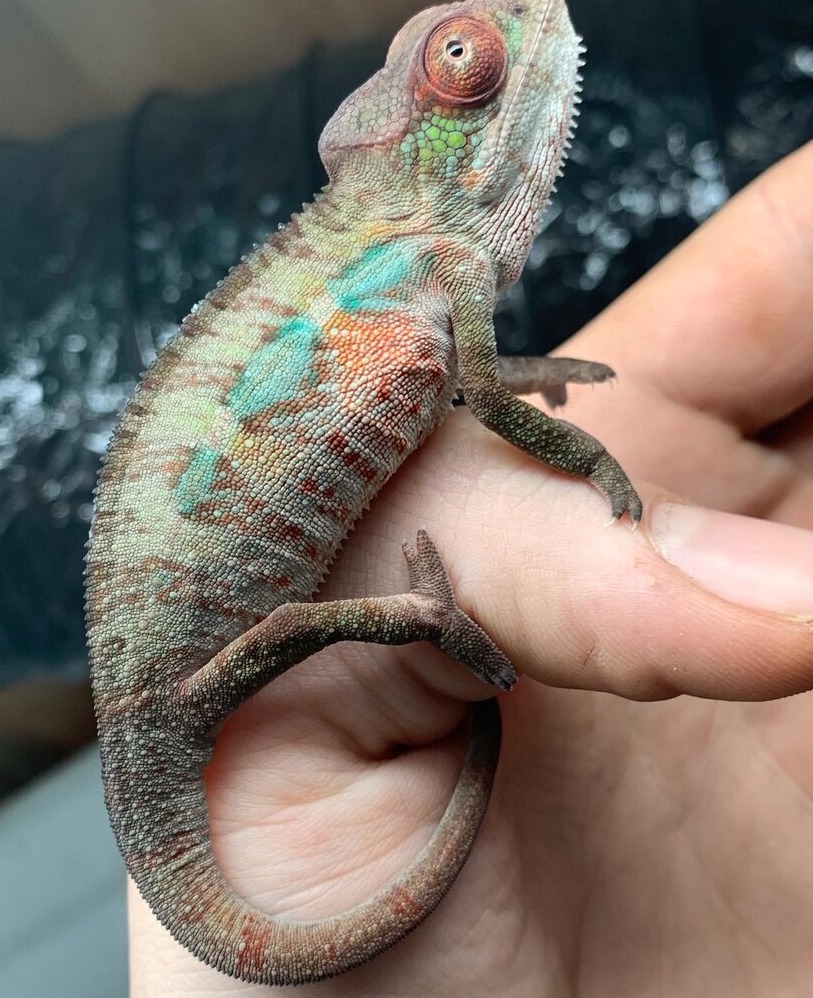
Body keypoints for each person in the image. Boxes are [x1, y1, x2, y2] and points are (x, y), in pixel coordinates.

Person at [130, 141, 813, 995]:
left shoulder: (415, 260)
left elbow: (457, 370)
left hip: (185, 638)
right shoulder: (426, 251)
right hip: (175, 654)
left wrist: (532, 375)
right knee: (300, 625)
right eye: (466, 77)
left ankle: (418, 617)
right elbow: (479, 393)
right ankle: (415, 618)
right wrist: (589, 462)